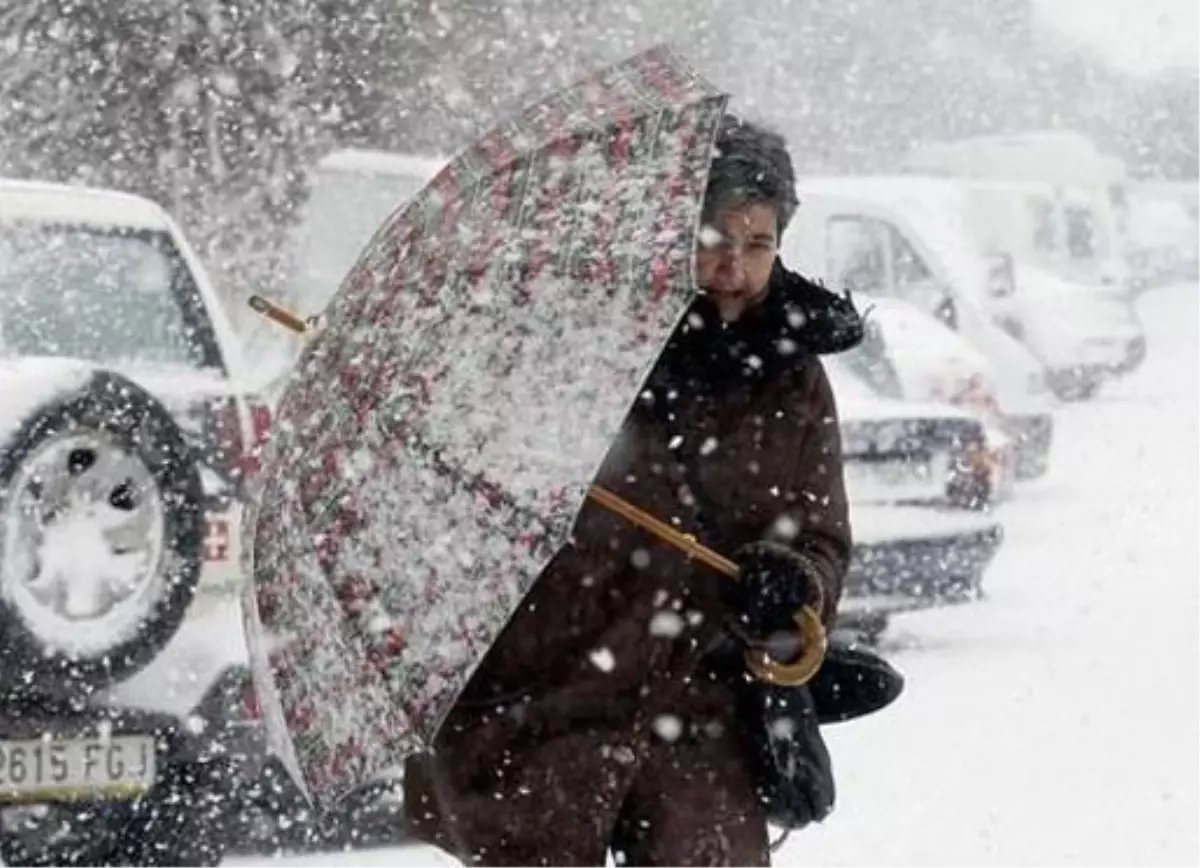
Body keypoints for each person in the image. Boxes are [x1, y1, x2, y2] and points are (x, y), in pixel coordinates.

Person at [403, 114, 864, 867]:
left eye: (759, 245)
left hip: (705, 704)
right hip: (557, 693)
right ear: (675, 236)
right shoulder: (579, 349)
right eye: (717, 242)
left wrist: (794, 586)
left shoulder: (794, 376)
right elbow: (491, 502)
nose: (736, 271)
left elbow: (822, 535)